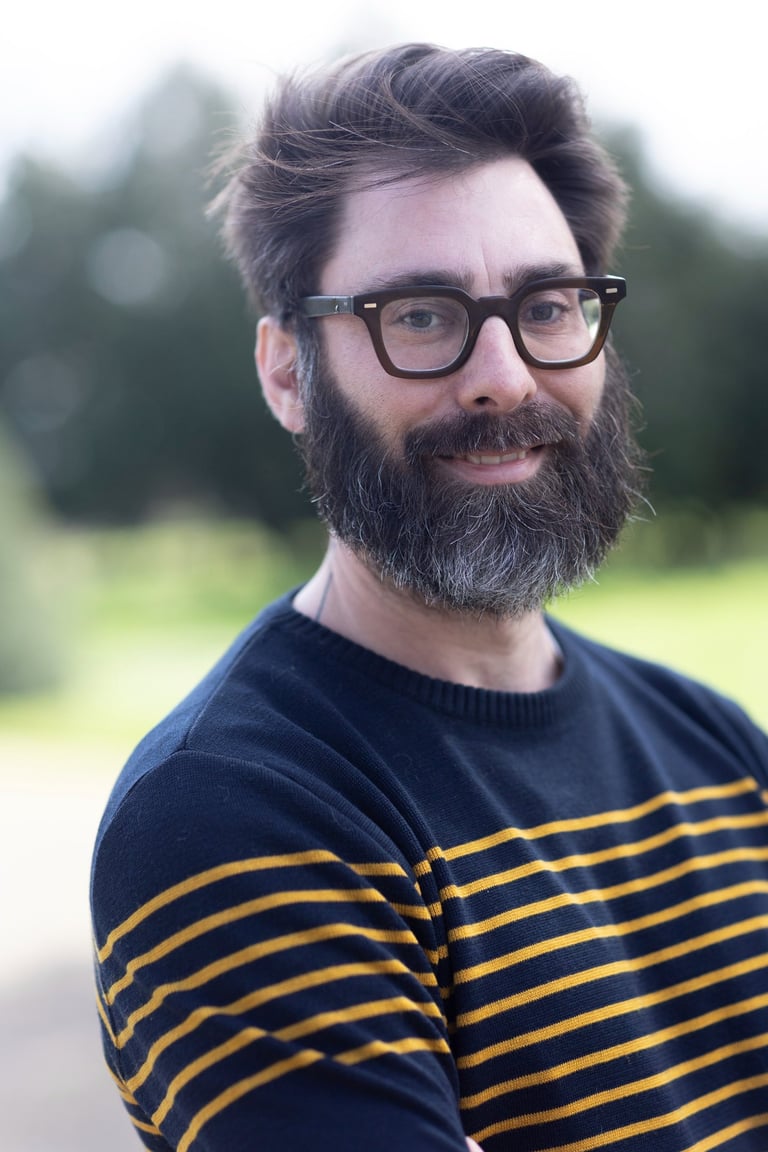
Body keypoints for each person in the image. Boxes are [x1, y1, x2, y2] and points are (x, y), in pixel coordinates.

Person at [90, 43, 768, 1152]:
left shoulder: (718, 748)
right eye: (419, 314)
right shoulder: (230, 815)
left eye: (548, 306)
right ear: (287, 371)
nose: (504, 375)